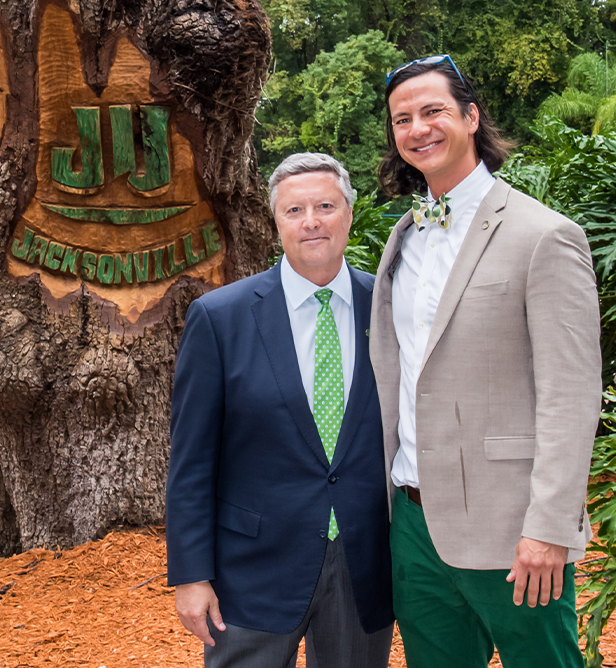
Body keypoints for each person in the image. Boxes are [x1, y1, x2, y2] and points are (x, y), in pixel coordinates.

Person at [370, 55, 602, 667]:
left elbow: (571, 394)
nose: (418, 128)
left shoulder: (544, 236)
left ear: (471, 117)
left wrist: (549, 527)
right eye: (402, 119)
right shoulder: (403, 238)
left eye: (433, 111)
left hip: (513, 527)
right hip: (412, 523)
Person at [166, 152, 394, 668]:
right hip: (250, 573)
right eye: (294, 211)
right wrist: (190, 575)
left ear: (349, 214)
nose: (311, 221)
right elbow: (191, 462)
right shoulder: (219, 318)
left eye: (325, 206)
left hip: (363, 567)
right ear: (276, 222)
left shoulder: (387, 305)